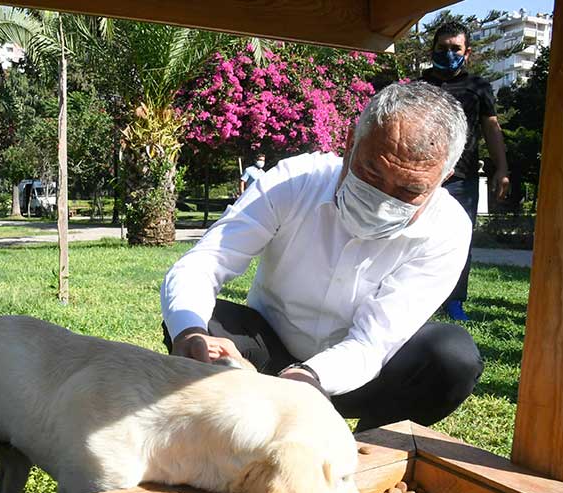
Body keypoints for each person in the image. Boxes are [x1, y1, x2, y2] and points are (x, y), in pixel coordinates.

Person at [160, 82, 483, 432]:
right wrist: (190, 334)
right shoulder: (296, 181)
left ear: (442, 179)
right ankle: (229, 430)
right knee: (195, 319)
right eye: (371, 172)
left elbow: (373, 342)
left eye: (409, 190)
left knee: (451, 357)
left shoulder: (447, 227)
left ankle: (372, 450)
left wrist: (307, 377)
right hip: (264, 354)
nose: (381, 199)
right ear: (349, 143)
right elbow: (205, 262)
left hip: (367, 374)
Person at [421, 21, 510, 322]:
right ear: (432, 50)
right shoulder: (420, 86)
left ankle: (455, 301)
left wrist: (503, 168)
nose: (448, 54)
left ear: (467, 53)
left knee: (459, 241)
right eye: (442, 48)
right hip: (424, 176)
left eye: (455, 49)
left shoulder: (479, 88)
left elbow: (492, 128)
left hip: (463, 179)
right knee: (415, 237)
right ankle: (418, 299)